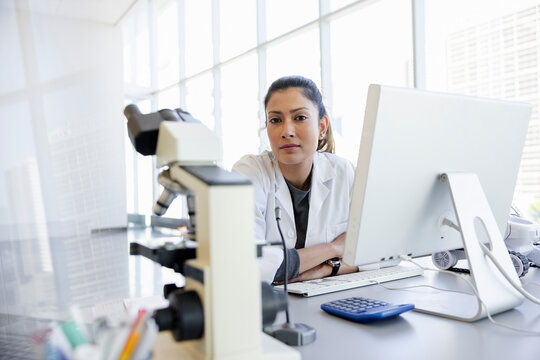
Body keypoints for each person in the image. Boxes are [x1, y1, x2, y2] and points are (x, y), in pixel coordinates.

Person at [232, 75, 359, 284]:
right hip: (267, 306)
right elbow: (247, 265)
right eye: (275, 120)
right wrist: (334, 248)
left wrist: (327, 269)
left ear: (322, 127)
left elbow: (383, 255)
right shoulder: (249, 172)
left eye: (299, 118)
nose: (287, 131)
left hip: (331, 298)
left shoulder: (344, 172)